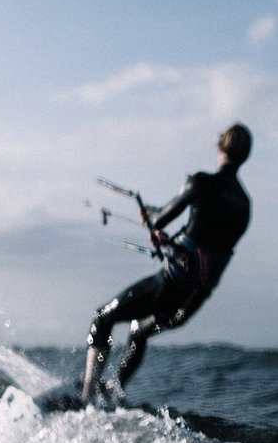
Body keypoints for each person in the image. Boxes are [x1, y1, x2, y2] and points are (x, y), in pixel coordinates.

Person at [78, 123, 252, 406]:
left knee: (102, 319)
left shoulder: (200, 183)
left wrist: (150, 215)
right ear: (245, 156)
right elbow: (208, 245)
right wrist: (172, 243)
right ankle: (111, 391)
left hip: (170, 284)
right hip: (191, 302)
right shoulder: (245, 206)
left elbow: (160, 221)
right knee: (139, 330)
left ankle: (86, 398)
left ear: (221, 148)